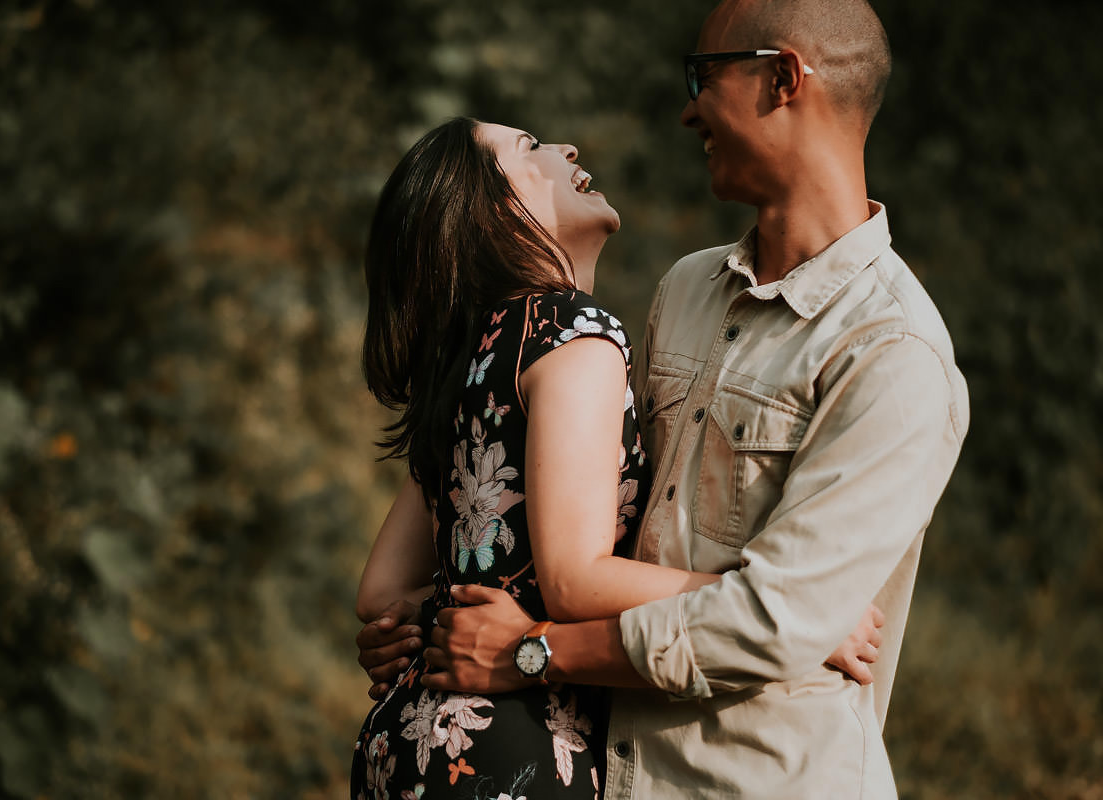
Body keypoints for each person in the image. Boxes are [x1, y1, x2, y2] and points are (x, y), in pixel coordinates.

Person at [361, 0, 970, 797]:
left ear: (782, 77)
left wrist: (528, 651)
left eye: (703, 77)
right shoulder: (683, 290)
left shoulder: (894, 353)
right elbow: (576, 524)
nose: (688, 110)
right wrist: (431, 624)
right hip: (605, 769)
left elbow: (774, 622)